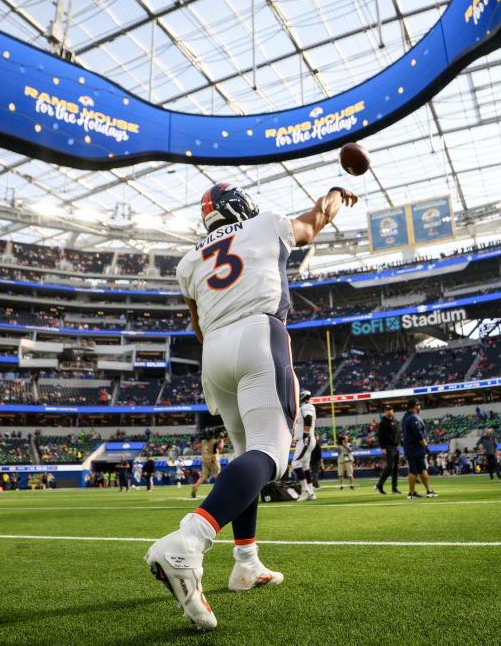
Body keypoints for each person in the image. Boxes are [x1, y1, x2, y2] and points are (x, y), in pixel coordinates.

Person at [144, 182, 358, 630]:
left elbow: (198, 324)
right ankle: (190, 538)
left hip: (214, 354)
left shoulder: (189, 261)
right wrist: (338, 193)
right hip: (259, 336)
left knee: (246, 458)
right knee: (273, 454)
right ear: (241, 206)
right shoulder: (266, 224)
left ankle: (246, 562)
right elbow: (316, 219)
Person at [401, 401, 437, 499]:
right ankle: (412, 493)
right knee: (414, 470)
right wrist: (425, 446)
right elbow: (418, 434)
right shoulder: (413, 418)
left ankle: (428, 491)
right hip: (415, 448)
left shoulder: (406, 417)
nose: (420, 407)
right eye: (419, 405)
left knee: (421, 469)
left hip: (410, 448)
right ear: (415, 406)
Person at [291, 390, 318, 500]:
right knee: (305, 466)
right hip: (305, 439)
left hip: (305, 439)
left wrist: (305, 434)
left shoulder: (307, 406)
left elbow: (308, 418)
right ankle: (311, 492)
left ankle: (305, 490)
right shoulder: (305, 407)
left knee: (295, 463)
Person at [375, 406, 402, 495]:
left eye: (390, 410)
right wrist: (383, 447)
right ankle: (379, 485)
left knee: (395, 468)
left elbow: (399, 433)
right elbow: (380, 436)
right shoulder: (382, 423)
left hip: (396, 447)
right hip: (388, 446)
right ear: (385, 412)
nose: (389, 411)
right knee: (390, 466)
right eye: (387, 410)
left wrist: (399, 444)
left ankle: (394, 488)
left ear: (393, 411)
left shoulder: (395, 421)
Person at [191, 429, 224, 499]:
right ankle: (221, 491)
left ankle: (196, 486)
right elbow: (221, 447)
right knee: (218, 476)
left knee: (204, 476)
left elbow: (195, 447)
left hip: (204, 460)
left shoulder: (203, 442)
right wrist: (222, 439)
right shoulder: (214, 441)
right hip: (213, 460)